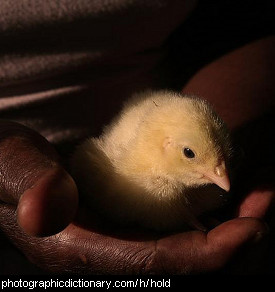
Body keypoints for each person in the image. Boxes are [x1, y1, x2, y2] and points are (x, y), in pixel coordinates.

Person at [0, 0, 274, 274]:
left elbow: (250, 22)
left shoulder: (201, 183)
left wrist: (242, 116)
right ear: (165, 146)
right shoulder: (112, 171)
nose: (222, 176)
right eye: (189, 154)